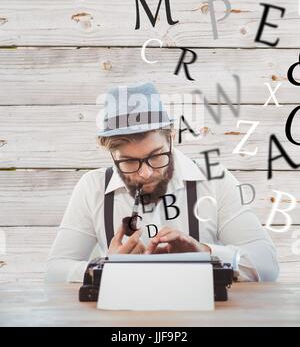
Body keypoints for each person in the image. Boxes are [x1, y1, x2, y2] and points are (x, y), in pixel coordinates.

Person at [45, 82, 279, 283]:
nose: (145, 174)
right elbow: (54, 270)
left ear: (171, 138)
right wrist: (103, 269)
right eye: (128, 161)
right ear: (112, 155)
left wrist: (204, 253)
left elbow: (267, 265)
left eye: (156, 156)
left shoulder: (215, 179)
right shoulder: (92, 188)